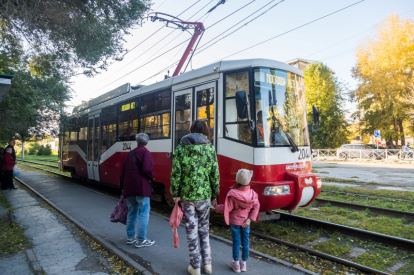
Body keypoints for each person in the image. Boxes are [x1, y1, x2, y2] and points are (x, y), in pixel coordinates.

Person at [170, 120, 220, 275]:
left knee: (191, 230)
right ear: (205, 131)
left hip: (186, 196)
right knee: (204, 230)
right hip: (204, 196)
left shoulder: (181, 147)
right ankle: (208, 265)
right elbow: (215, 174)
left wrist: (175, 192)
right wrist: (215, 194)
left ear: (191, 130)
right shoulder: (210, 148)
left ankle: (195, 266)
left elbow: (176, 173)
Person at [212, 169, 260, 273]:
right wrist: (249, 219)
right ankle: (244, 263)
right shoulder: (253, 194)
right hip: (246, 222)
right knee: (246, 242)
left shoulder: (233, 193)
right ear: (248, 181)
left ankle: (236, 263)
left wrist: (216, 207)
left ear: (237, 179)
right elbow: (256, 207)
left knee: (236, 242)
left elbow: (226, 208)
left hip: (235, 222)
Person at [121, 133, 156, 248]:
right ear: (147, 142)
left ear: (137, 142)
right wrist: (152, 176)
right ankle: (141, 240)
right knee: (144, 213)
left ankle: (130, 237)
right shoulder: (146, 153)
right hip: (141, 187)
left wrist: (123, 187)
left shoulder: (130, 153)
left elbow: (123, 172)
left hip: (129, 187)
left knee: (132, 212)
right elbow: (146, 170)